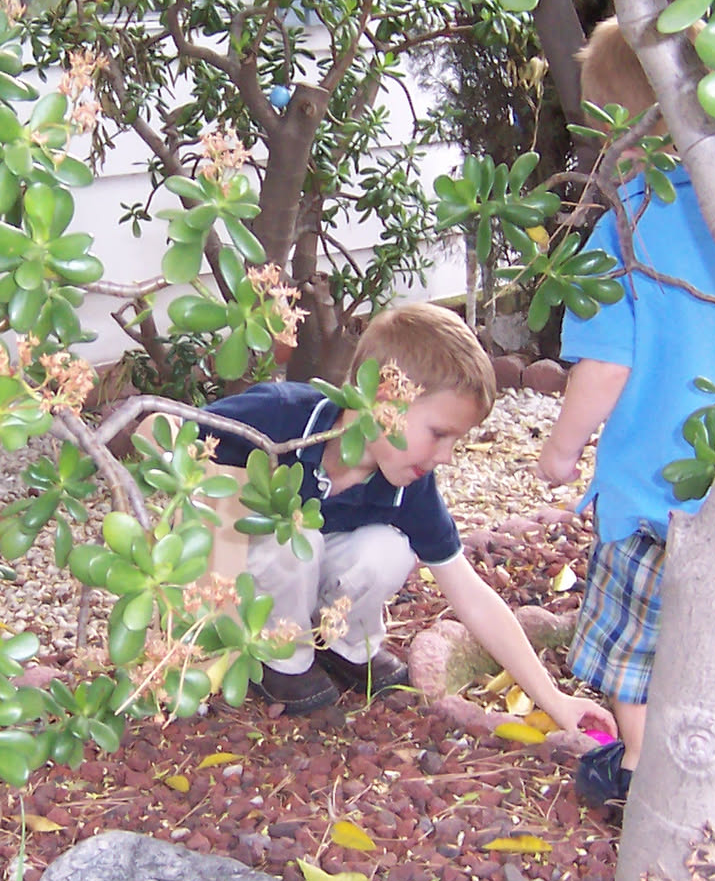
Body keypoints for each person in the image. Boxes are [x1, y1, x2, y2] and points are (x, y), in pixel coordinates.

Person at [536, 20, 715, 811]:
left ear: (621, 130)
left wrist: (561, 450)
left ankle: (643, 772)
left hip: (650, 495)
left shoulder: (623, 226)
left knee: (635, 649)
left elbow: (606, 365)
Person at [199, 301, 616, 735]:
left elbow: (471, 595)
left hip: (309, 578)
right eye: (439, 434)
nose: (447, 456)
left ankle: (342, 646)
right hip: (243, 582)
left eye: (456, 441)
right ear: (384, 397)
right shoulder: (283, 415)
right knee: (294, 539)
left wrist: (555, 700)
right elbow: (167, 429)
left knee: (389, 550)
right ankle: (283, 661)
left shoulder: (408, 485)